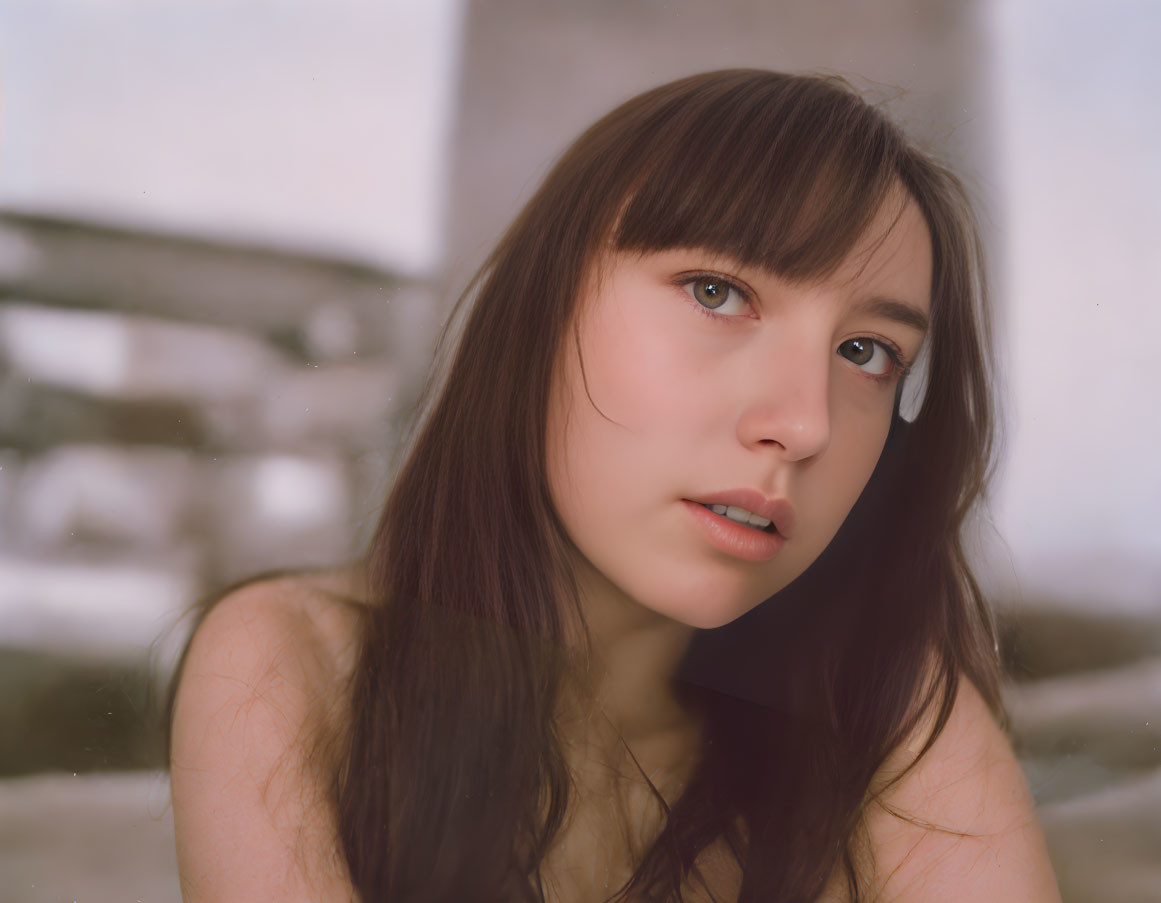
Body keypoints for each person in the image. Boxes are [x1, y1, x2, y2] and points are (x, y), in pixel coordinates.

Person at [167, 70, 1062, 902]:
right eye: (716, 292)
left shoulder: (883, 705)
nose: (804, 424)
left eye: (866, 353)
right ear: (541, 314)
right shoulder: (296, 662)